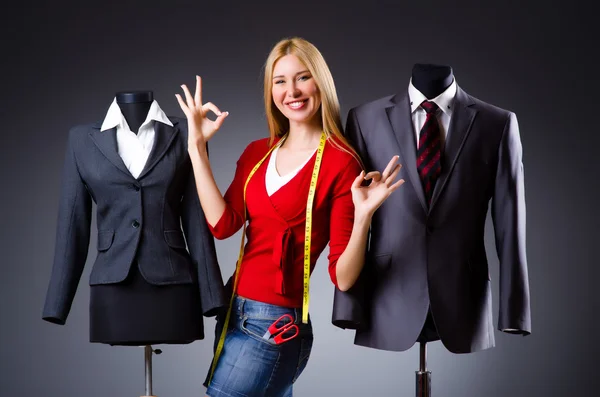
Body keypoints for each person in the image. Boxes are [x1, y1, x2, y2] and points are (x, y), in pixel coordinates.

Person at [175, 37, 404, 397]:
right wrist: (196, 147)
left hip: (276, 323)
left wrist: (363, 219)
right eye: (279, 81)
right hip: (233, 310)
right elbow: (223, 226)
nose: (291, 91)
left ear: (320, 83)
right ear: (270, 91)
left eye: (303, 77)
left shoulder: (341, 162)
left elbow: (343, 278)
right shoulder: (256, 153)